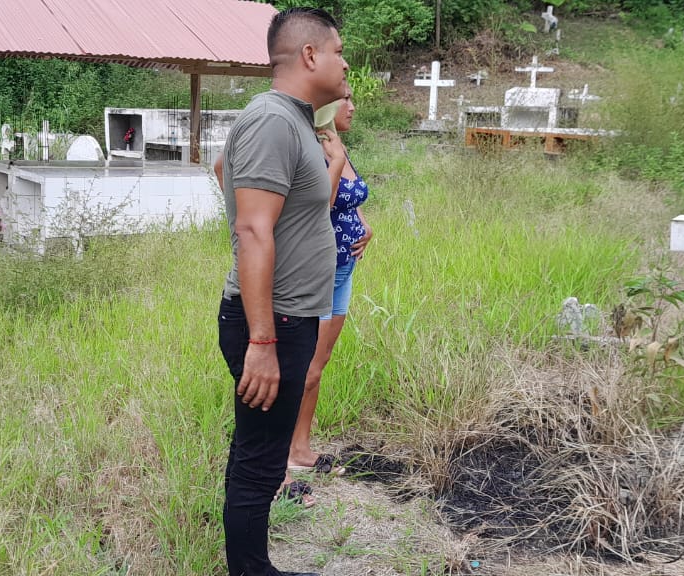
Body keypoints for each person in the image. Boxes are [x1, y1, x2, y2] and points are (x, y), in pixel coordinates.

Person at [213, 7, 347, 576]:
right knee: (261, 461)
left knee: (257, 451)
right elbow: (252, 229)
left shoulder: (292, 121)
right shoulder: (272, 120)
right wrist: (263, 342)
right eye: (338, 52)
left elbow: (224, 167)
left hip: (288, 318)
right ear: (310, 55)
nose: (346, 65)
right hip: (274, 322)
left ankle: (251, 565)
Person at [287, 90, 372, 477]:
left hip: (344, 270)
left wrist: (364, 225)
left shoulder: (336, 143)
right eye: (344, 100)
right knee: (305, 367)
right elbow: (320, 203)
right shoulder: (314, 148)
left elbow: (349, 199)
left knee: (318, 365)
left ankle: (300, 447)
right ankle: (283, 453)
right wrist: (335, 160)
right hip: (318, 272)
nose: (352, 107)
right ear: (323, 106)